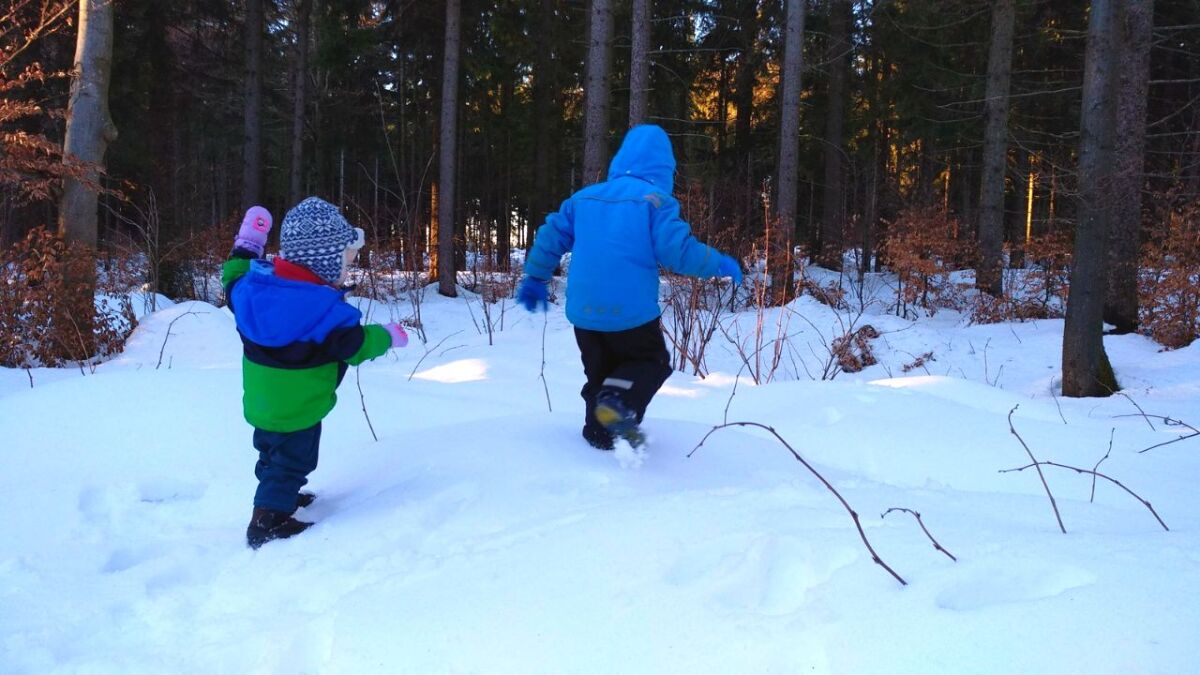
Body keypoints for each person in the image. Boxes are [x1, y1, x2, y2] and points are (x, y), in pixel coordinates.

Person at [517, 124, 742, 450]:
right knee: (649, 363)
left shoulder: (583, 199)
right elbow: (677, 251)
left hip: (584, 314)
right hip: (631, 313)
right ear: (664, 170)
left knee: (599, 375)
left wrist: (535, 277)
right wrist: (715, 262)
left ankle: (599, 436)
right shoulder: (655, 202)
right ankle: (617, 401)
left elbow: (551, 236)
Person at [222, 197, 409, 548]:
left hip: (263, 403)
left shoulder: (251, 290)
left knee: (272, 454)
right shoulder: (324, 312)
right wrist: (387, 336)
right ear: (322, 262)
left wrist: (247, 245)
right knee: (294, 460)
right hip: (300, 407)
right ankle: (268, 520)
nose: (347, 269)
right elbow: (354, 346)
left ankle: (280, 494)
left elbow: (232, 278)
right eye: (345, 261)